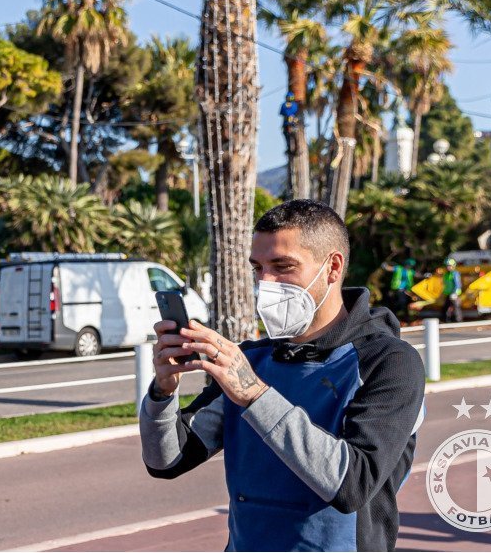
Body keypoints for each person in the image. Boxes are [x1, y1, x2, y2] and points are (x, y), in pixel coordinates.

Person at [140, 199, 425, 552]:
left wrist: (255, 396)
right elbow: (166, 461)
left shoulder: (389, 362)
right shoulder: (252, 359)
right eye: (258, 268)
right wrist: (163, 392)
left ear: (332, 268)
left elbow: (353, 484)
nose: (266, 283)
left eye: (283, 266)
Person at [441, 257, 463, 323]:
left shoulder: (455, 274)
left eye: (449, 266)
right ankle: (446, 320)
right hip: (448, 294)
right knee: (445, 308)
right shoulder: (446, 274)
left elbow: (458, 284)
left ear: (453, 266)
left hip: (454, 294)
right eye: (447, 266)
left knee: (456, 308)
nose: (448, 267)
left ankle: (458, 321)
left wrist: (455, 293)